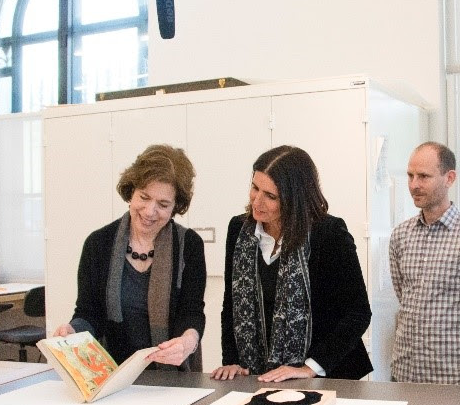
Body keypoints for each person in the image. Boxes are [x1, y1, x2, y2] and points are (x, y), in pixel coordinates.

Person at [212, 145, 372, 382]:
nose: (257, 201)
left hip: (327, 376)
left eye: (270, 196)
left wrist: (310, 367)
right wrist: (232, 360)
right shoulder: (239, 230)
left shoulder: (328, 233)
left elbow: (358, 313)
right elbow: (231, 306)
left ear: (295, 197)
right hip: (257, 375)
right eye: (255, 188)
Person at [54, 144, 206, 370]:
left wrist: (188, 342)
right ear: (131, 191)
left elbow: (191, 313)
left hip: (174, 376)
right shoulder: (98, 243)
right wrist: (72, 330)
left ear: (176, 206)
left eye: (163, 204)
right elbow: (88, 312)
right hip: (113, 374)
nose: (149, 211)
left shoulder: (189, 245)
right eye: (144, 197)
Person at [389, 142, 460, 385]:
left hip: (456, 375)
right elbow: (405, 295)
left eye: (424, 176)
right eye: (410, 176)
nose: (414, 185)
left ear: (449, 178)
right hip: (405, 372)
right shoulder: (400, 235)